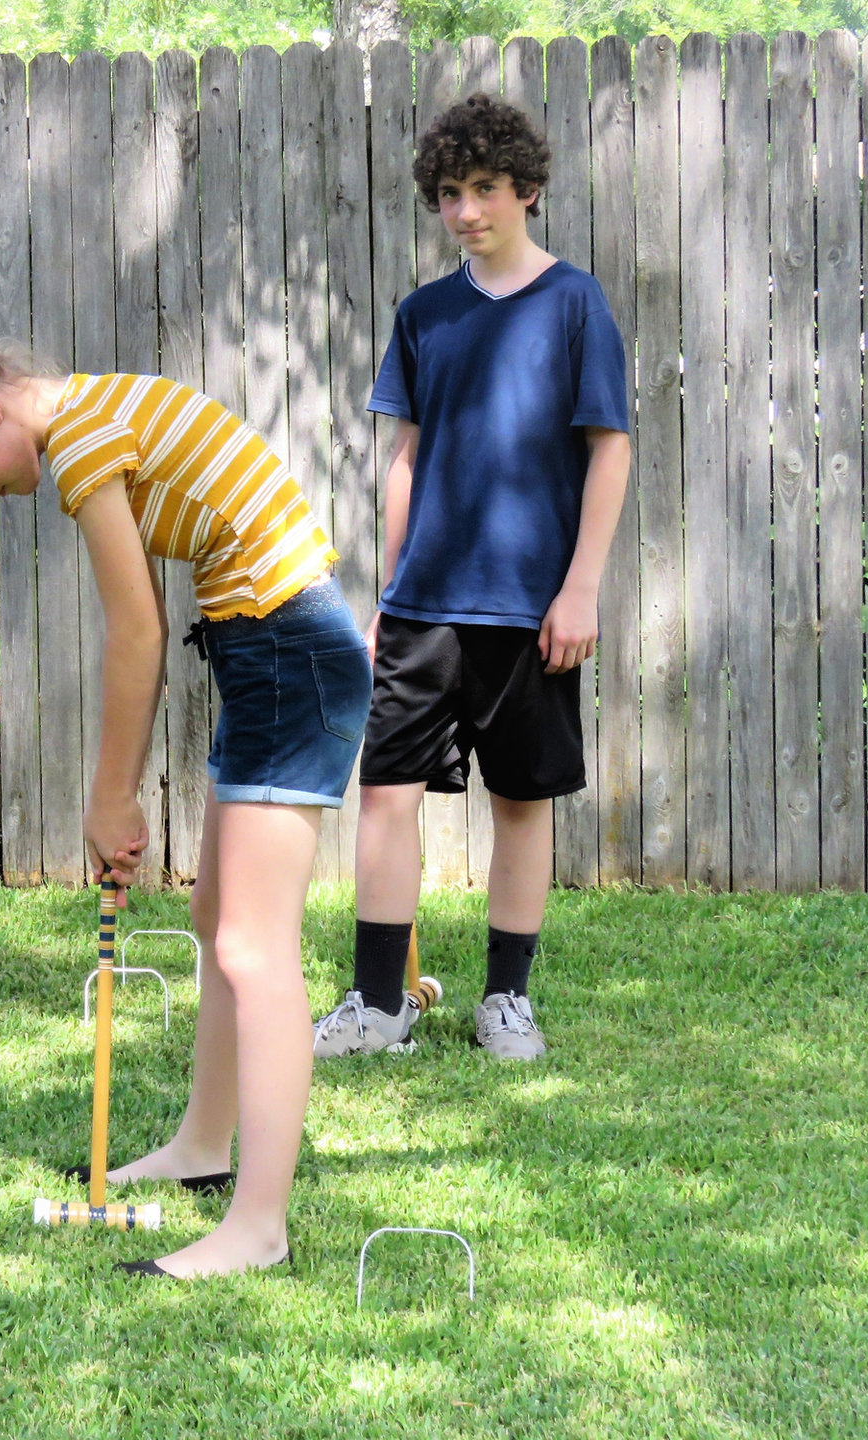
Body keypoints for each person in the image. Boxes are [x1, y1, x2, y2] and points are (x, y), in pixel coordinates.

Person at [0, 334, 370, 1278]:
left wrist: (110, 798)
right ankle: (202, 1146)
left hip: (288, 649)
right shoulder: (94, 414)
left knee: (253, 945)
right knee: (213, 916)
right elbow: (151, 604)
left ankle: (259, 1228)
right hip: (260, 640)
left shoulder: (80, 441)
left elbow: (137, 631)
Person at [312, 93, 632, 1062]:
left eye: (485, 189)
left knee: (522, 802)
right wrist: (389, 590)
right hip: (423, 605)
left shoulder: (575, 304)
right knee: (384, 794)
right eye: (449, 193)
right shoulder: (425, 315)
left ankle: (507, 1000)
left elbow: (609, 451)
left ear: (527, 190)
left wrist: (580, 589)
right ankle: (379, 1006)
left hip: (532, 608)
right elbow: (406, 456)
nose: (466, 211)